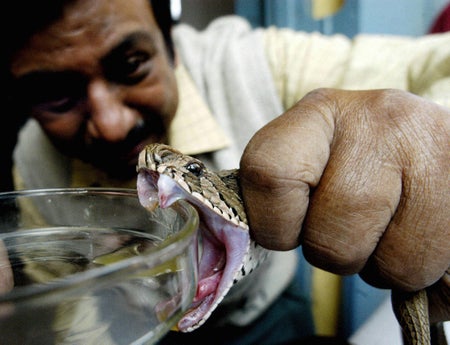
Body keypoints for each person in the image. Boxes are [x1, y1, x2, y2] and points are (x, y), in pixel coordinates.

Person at [2, 0, 449, 344]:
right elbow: (71, 305)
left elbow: (436, 60)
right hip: (148, 323)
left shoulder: (248, 60)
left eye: (131, 65)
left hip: (265, 310)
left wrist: (427, 142)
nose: (111, 123)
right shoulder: (31, 157)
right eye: (56, 94)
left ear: (172, 46)